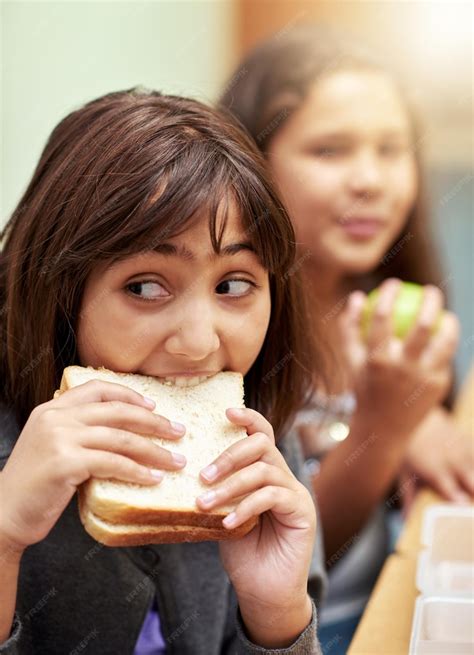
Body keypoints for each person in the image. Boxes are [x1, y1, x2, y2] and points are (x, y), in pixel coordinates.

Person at [0, 88, 327, 654]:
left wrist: (276, 608)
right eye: (145, 287)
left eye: (233, 285)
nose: (199, 343)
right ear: (58, 295)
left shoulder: (259, 445)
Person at [219, 24, 471, 650]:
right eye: (329, 151)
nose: (370, 179)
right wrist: (385, 431)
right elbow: (280, 558)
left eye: (391, 149)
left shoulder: (383, 309)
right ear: (251, 160)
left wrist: (414, 423)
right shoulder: (229, 329)